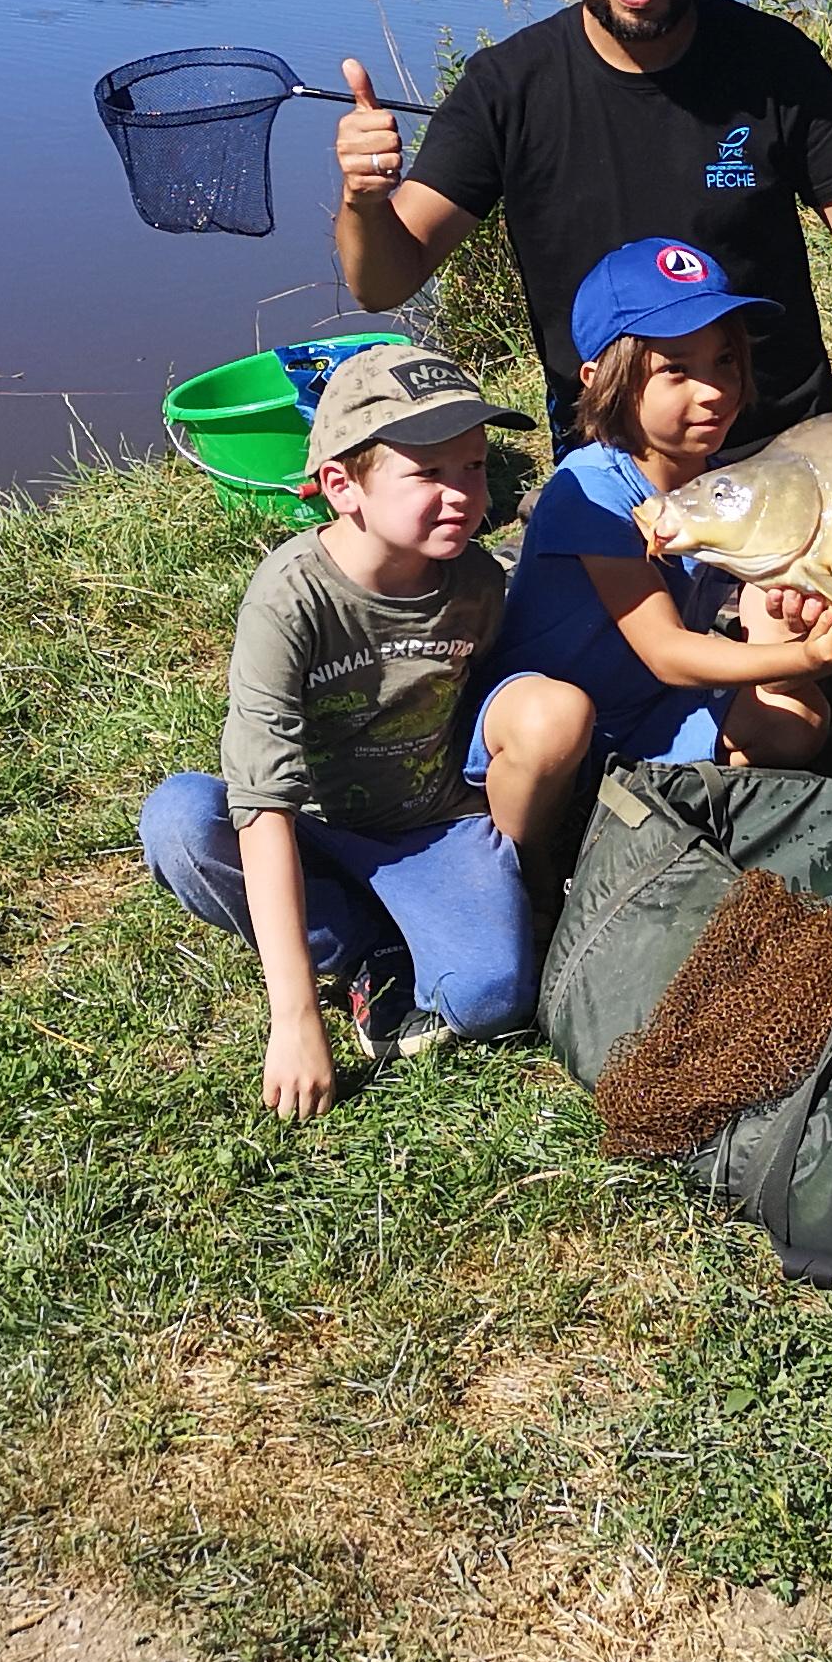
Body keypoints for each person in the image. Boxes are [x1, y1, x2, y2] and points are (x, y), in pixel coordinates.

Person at [331, 0, 832, 452]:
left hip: (780, 439)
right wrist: (365, 198)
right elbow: (383, 283)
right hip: (607, 457)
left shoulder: (775, 61)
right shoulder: (506, 88)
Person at [135, 344, 539, 1118]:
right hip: (312, 829)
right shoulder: (290, 599)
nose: (462, 495)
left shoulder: (479, 581)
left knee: (489, 999)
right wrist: (293, 1017)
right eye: (428, 473)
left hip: (431, 828)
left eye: (475, 466)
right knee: (181, 823)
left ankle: (394, 926)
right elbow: (261, 804)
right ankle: (356, 945)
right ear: (341, 486)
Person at [466, 239, 832, 796]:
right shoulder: (588, 490)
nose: (713, 391)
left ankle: (653, 801)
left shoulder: (717, 480)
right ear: (598, 380)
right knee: (558, 726)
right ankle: (537, 867)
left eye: (725, 360)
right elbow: (667, 654)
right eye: (676, 370)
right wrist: (805, 657)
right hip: (546, 720)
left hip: (646, 709)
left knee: (796, 725)